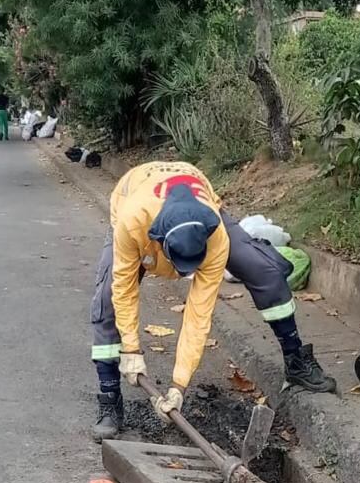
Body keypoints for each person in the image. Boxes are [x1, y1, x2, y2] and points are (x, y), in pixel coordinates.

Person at [89, 161, 336, 441]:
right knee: (108, 297)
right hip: (133, 196)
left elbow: (198, 314)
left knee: (263, 269)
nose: (187, 273)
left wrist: (178, 386)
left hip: (196, 204)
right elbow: (124, 290)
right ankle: (109, 398)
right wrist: (131, 351)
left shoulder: (214, 232)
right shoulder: (131, 222)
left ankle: (296, 361)